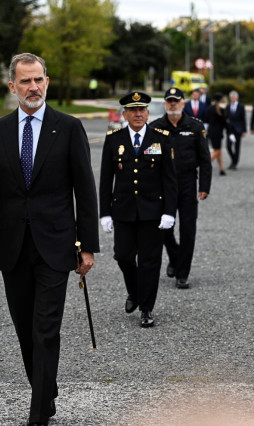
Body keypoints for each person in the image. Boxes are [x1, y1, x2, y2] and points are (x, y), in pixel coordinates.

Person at [0, 53, 99, 426]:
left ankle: (38, 412)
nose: (33, 87)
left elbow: (84, 191)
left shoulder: (69, 128)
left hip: (57, 246)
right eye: (25, 81)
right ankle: (46, 389)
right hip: (13, 248)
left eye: (38, 79)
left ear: (47, 82)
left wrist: (87, 245)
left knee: (45, 328)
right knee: (26, 329)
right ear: (12, 87)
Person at [99, 91, 178, 328]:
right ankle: (134, 291)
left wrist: (169, 212)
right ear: (125, 114)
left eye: (142, 110)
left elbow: (170, 179)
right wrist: (104, 212)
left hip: (152, 211)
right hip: (123, 210)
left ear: (147, 113)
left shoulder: (160, 137)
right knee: (123, 255)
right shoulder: (114, 139)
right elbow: (105, 179)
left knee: (149, 261)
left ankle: (146, 308)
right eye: (133, 110)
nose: (137, 114)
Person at [152, 87, 212, 289]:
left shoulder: (195, 126)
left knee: (188, 229)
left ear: (183, 103)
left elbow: (205, 159)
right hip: (163, 186)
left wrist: (204, 186)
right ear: (165, 104)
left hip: (187, 183)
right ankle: (175, 256)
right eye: (169, 101)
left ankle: (182, 272)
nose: (172, 104)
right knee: (163, 229)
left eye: (176, 101)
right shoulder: (155, 128)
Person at [207, 92, 228, 176]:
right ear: (221, 99)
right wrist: (229, 131)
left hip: (211, 131)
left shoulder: (210, 108)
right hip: (218, 132)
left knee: (218, 150)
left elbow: (207, 119)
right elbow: (224, 121)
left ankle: (221, 168)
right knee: (217, 150)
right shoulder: (220, 109)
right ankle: (205, 164)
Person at [226, 90, 247, 170]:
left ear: (237, 98)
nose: (232, 98)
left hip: (238, 129)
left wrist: (244, 130)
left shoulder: (241, 106)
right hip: (230, 130)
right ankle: (233, 159)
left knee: (237, 147)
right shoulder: (228, 106)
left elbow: (243, 119)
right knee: (228, 146)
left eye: (234, 97)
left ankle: (235, 163)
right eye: (231, 97)